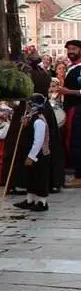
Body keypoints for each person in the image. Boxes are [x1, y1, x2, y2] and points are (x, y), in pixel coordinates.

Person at [14, 94, 52, 212]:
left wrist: (31, 156)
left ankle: (42, 202)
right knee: (30, 177)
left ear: (33, 105)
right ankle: (29, 200)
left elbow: (39, 141)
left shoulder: (39, 121)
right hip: (31, 152)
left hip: (39, 155)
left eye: (28, 103)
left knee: (40, 177)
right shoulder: (30, 117)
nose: (26, 105)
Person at [59, 40, 81, 188]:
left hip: (78, 110)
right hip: (73, 109)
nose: (70, 51)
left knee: (77, 142)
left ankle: (79, 176)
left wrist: (68, 92)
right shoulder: (72, 68)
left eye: (74, 49)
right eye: (69, 49)